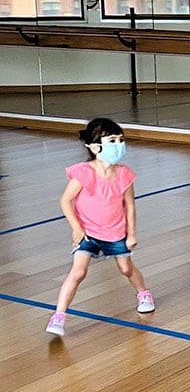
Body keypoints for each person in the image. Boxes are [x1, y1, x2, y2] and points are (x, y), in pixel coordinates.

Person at [45, 118, 154, 337]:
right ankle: (58, 316)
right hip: (88, 233)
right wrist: (77, 228)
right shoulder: (84, 173)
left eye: (121, 140)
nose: (118, 145)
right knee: (78, 272)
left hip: (115, 232)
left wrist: (131, 234)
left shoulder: (124, 175)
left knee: (126, 268)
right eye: (112, 141)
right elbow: (65, 200)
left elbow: (130, 206)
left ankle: (143, 293)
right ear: (95, 147)